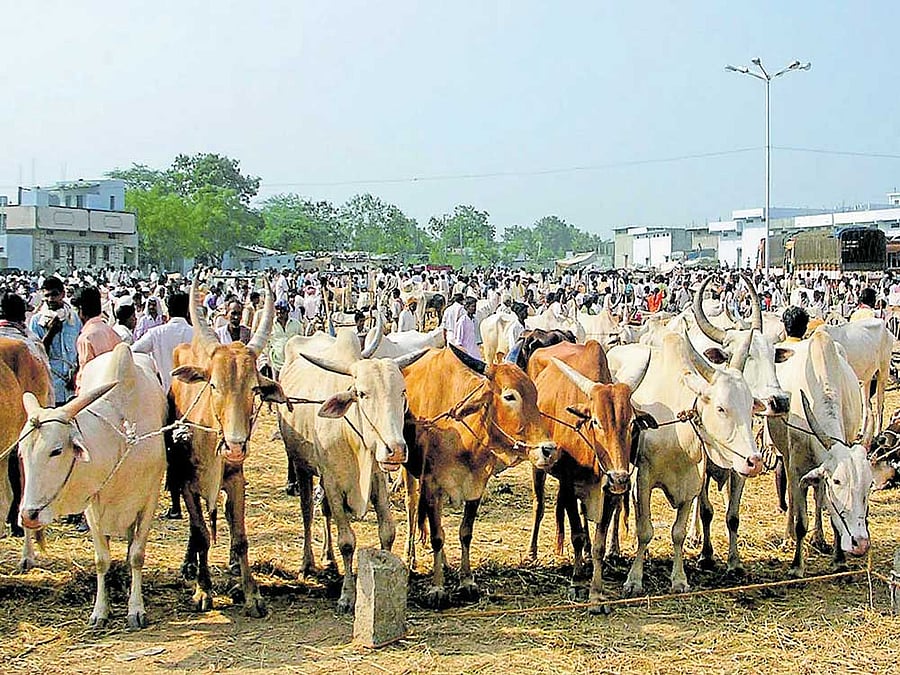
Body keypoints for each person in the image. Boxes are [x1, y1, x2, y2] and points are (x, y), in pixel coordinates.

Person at [131, 292, 194, 519]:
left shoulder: (157, 333)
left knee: (169, 451)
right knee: (191, 451)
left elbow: (133, 351)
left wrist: (153, 368)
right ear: (188, 310)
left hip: (166, 398)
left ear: (167, 310)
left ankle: (175, 506)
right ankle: (193, 503)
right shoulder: (195, 334)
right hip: (192, 400)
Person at [29, 276, 81, 406]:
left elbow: (79, 349)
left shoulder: (73, 318)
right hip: (51, 384)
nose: (50, 299)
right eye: (47, 296)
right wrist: (51, 333)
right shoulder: (37, 321)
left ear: (62, 294)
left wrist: (76, 374)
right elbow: (37, 354)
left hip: (72, 386)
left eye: (54, 295)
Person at [268, 299, 302, 380]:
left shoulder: (296, 324)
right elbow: (267, 343)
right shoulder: (270, 325)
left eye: (282, 311)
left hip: (292, 362)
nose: (279, 313)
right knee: (277, 383)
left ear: (287, 311)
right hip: (276, 362)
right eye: (277, 310)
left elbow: (301, 341)